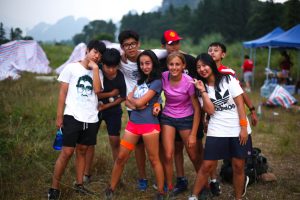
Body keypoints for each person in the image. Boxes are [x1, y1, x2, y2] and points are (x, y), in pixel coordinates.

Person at [189, 53, 252, 200]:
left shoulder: (228, 79)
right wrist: (203, 91)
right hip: (217, 128)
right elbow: (210, 110)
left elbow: (240, 104)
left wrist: (243, 127)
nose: (202, 69)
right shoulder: (200, 87)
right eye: (198, 67)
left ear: (211, 64)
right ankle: (193, 196)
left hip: (237, 127)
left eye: (204, 65)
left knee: (238, 166)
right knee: (207, 165)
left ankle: (238, 198)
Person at [47, 40, 104, 200]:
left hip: (91, 117)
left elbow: (98, 91)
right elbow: (62, 93)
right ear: (87, 50)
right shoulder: (71, 68)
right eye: (95, 52)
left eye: (100, 54)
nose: (97, 55)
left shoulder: (97, 71)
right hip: (72, 115)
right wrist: (59, 116)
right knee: (66, 152)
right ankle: (54, 188)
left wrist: (94, 69)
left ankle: (79, 184)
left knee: (82, 151)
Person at [105, 50, 165, 200]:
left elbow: (136, 101)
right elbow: (128, 98)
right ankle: (111, 188)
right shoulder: (140, 81)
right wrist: (135, 103)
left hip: (149, 126)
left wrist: (135, 102)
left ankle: (161, 192)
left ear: (153, 64)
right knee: (121, 157)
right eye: (142, 64)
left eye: (148, 63)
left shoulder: (157, 82)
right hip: (133, 125)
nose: (144, 67)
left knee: (153, 159)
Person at [206, 42, 258, 197]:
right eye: (210, 50)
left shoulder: (228, 73)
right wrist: (205, 118)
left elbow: (240, 94)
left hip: (235, 122)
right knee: (211, 159)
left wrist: (253, 110)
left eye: (216, 50)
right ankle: (214, 181)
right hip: (216, 122)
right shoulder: (202, 72)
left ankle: (238, 193)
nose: (212, 53)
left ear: (223, 54)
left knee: (238, 164)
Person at [159, 29, 204, 196]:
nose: (174, 46)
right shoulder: (163, 71)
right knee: (171, 152)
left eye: (176, 42)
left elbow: (197, 106)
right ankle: (177, 183)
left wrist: (193, 132)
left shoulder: (190, 66)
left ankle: (204, 184)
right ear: (164, 46)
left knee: (194, 154)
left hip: (187, 117)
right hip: (168, 117)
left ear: (183, 65)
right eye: (170, 43)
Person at [83, 48, 126, 183]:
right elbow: (96, 92)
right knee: (89, 142)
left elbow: (122, 97)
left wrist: (106, 105)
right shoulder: (97, 72)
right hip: (94, 110)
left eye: (114, 67)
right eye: (108, 67)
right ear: (103, 64)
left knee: (114, 141)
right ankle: (86, 174)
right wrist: (111, 94)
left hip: (113, 111)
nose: (111, 70)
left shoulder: (120, 76)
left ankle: (117, 175)